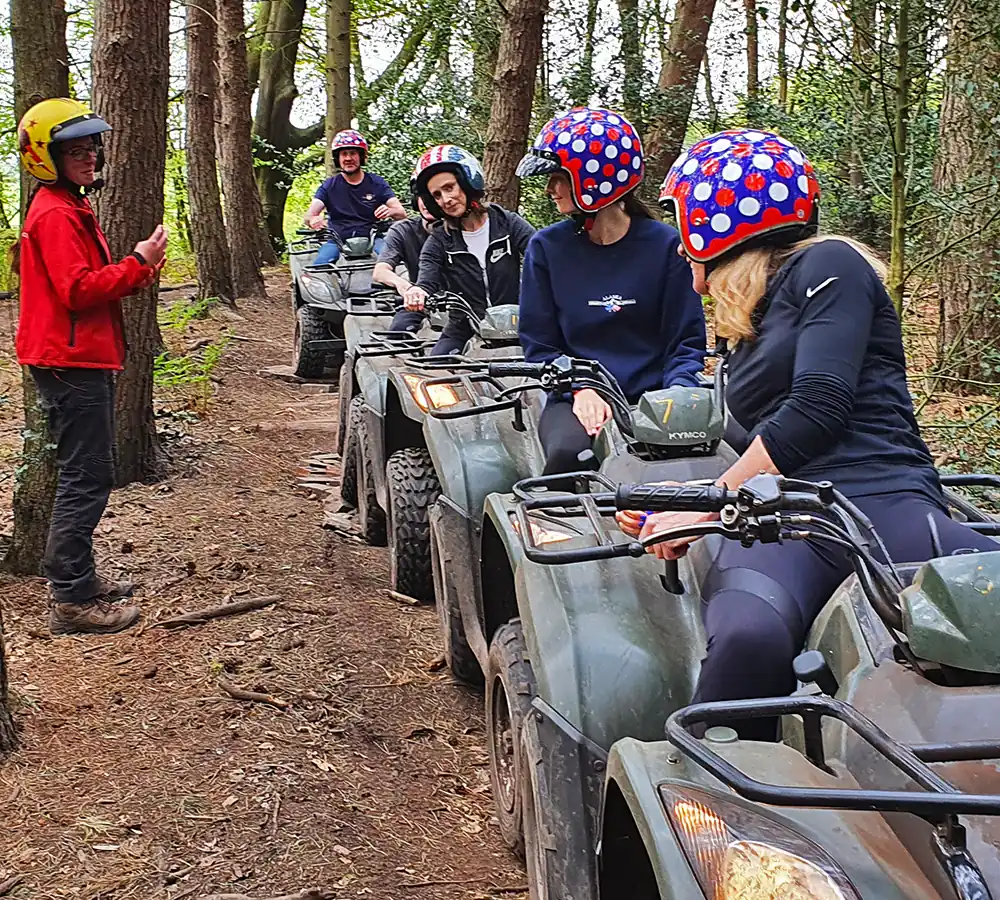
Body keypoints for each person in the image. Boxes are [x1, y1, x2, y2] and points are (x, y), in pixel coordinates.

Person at [617, 128, 998, 740]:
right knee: (748, 638)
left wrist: (708, 505)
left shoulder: (829, 265)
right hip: (787, 517)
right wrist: (696, 503)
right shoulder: (745, 324)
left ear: (711, 223)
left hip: (885, 498)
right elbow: (757, 441)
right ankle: (718, 809)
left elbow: (819, 405)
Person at [14, 97, 168, 636]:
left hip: (76, 356)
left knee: (88, 471)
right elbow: (77, 290)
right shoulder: (55, 212)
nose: (90, 155)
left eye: (92, 145)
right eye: (74, 148)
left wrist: (136, 269)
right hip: (68, 360)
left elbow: (86, 282)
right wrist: (138, 263)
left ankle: (79, 582)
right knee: (87, 475)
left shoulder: (69, 206)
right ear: (45, 156)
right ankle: (72, 597)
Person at [515, 107, 707, 475]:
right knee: (569, 456)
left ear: (594, 180)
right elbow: (539, 346)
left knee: (723, 451)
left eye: (558, 177)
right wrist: (581, 389)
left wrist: (676, 398)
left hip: (658, 396)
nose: (549, 189)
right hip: (575, 394)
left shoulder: (667, 246)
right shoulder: (546, 248)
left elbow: (686, 342)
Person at [403, 145, 535, 355]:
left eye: (449, 188)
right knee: (433, 375)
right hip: (463, 325)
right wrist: (417, 292)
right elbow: (426, 279)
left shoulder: (507, 223)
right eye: (436, 195)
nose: (445, 200)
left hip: (518, 320)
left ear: (466, 183)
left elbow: (542, 256)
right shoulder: (439, 239)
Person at [303, 129, 406, 265]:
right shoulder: (329, 186)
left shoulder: (377, 183)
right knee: (320, 266)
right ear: (337, 158)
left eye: (353, 153)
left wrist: (391, 211)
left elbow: (402, 213)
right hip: (337, 239)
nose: (348, 158)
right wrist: (314, 220)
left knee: (396, 261)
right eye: (344, 154)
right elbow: (308, 217)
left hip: (372, 237)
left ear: (361, 156)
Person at [372, 193, 439, 334]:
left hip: (466, 302)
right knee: (398, 334)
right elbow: (380, 271)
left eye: (436, 196)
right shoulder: (403, 230)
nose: (427, 203)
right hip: (420, 301)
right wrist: (405, 287)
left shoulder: (464, 229)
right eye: (424, 195)